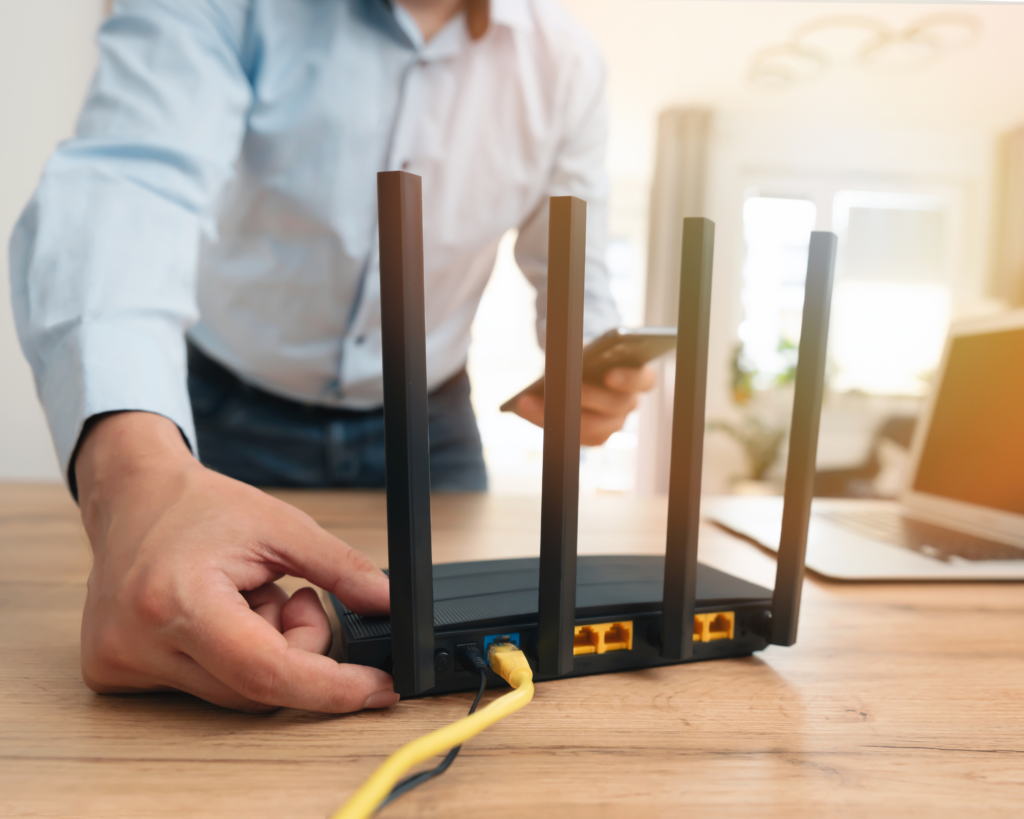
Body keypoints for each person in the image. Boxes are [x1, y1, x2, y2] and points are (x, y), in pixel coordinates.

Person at [10, 0, 655, 714]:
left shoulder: (565, 61)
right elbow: (130, 185)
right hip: (225, 417)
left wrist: (591, 361)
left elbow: (575, 263)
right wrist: (134, 478)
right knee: (216, 652)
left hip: (434, 429)